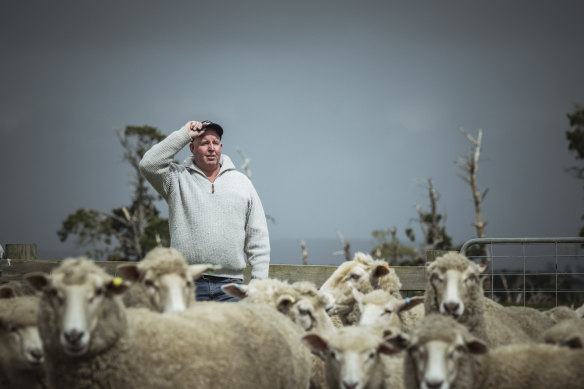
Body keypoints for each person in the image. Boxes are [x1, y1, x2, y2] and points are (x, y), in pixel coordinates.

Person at [139, 120, 270, 302]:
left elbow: (258, 238)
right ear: (192, 148)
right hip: (187, 284)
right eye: (204, 143)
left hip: (231, 287)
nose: (211, 148)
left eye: (215, 143)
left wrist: (258, 286)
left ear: (221, 147)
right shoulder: (176, 178)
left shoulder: (242, 183)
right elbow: (149, 164)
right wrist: (184, 134)